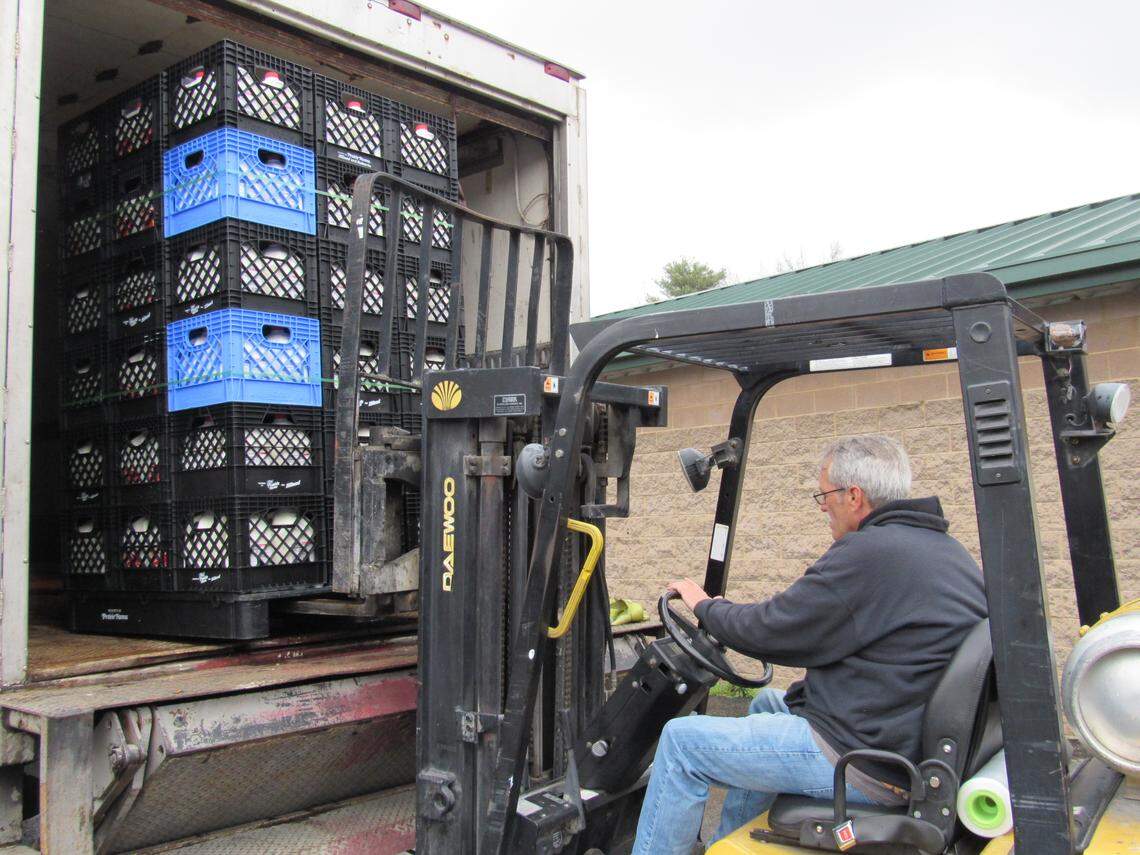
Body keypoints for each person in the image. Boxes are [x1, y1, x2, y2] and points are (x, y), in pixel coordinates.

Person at [632, 435, 987, 855]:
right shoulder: (943, 552)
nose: (823, 507)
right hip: (894, 734)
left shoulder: (869, 553)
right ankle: (729, 845)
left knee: (680, 743)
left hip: (864, 762)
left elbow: (772, 629)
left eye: (826, 495)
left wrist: (706, 607)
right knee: (767, 704)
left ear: (854, 496)